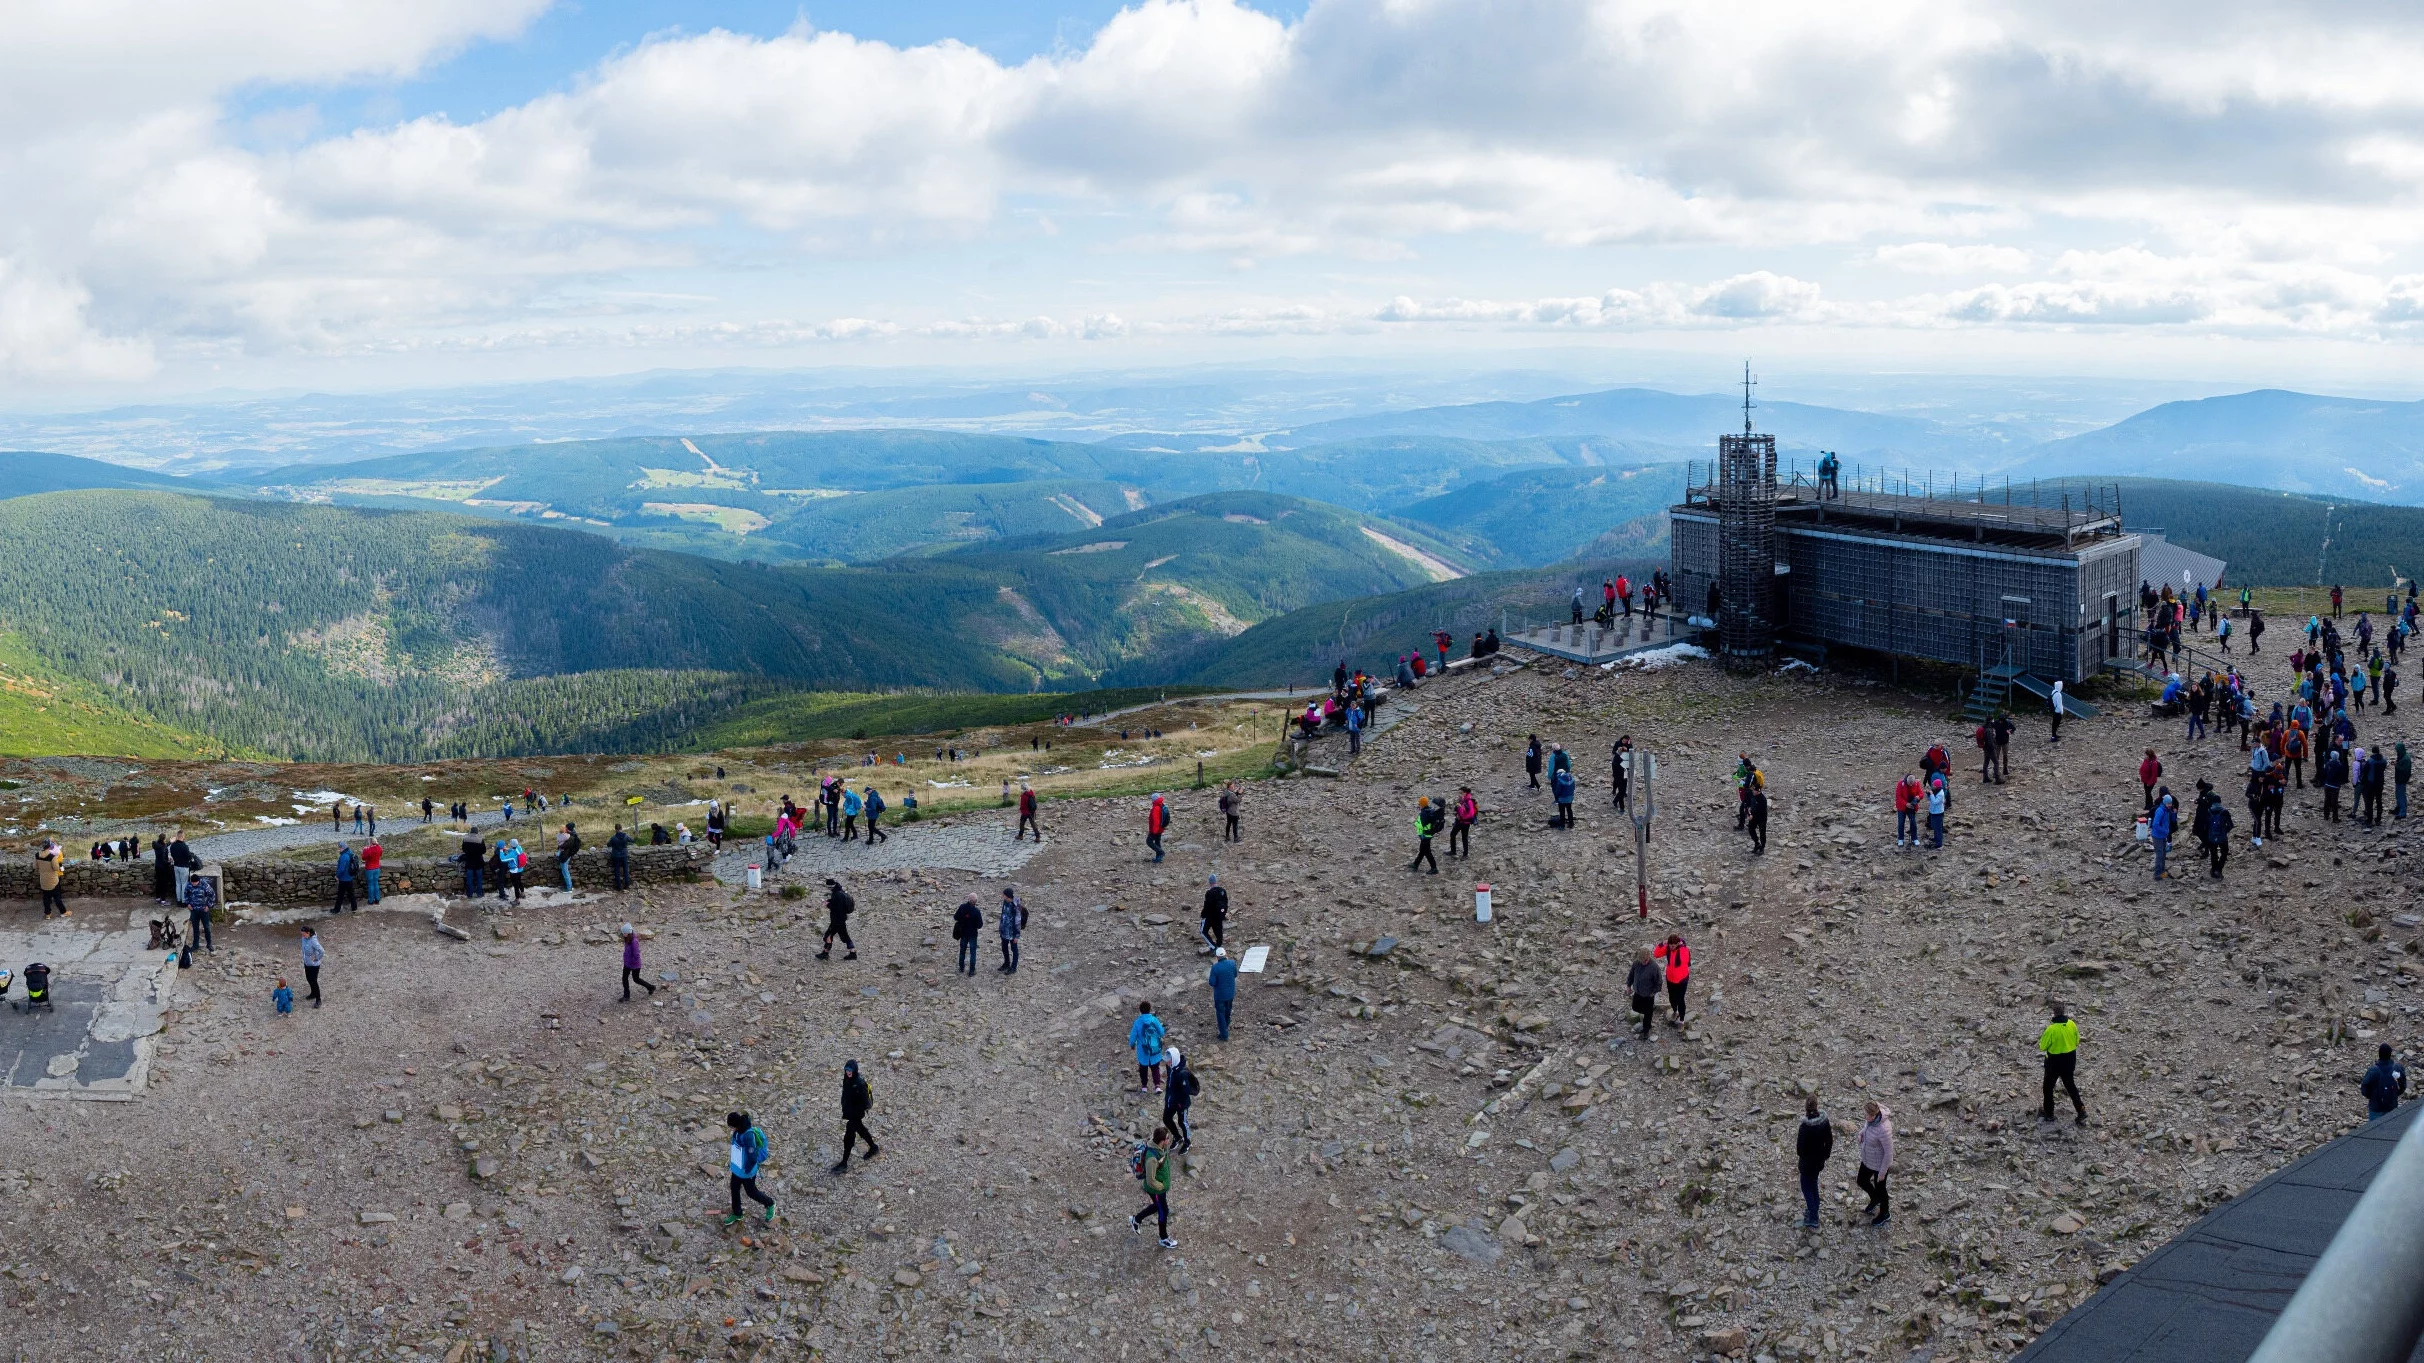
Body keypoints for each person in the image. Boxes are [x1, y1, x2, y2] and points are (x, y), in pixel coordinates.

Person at [724, 1111, 776, 1226]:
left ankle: (770, 1203)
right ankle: (737, 1213)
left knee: (751, 1192)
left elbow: (752, 1158)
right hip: (738, 1168)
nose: (731, 1129)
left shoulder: (748, 1136)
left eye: (731, 1126)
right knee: (734, 1188)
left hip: (747, 1171)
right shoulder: (738, 1131)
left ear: (735, 1125)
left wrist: (747, 1170)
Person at [2039, 1005, 2087, 1124]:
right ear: (2064, 1012)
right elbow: (2077, 1041)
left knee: (2048, 1088)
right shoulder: (2072, 1024)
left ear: (2054, 1013)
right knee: (2071, 1086)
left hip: (2053, 1063)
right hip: (2069, 1060)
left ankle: (2049, 1113)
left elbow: (2042, 1046)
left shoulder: (2051, 1029)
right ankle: (2081, 1110)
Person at [1130, 1128, 1178, 1249]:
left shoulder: (1161, 1148)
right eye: (1167, 1138)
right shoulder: (1152, 1158)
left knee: (1158, 1207)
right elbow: (1150, 1180)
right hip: (1156, 1190)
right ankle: (1164, 1238)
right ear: (1162, 1141)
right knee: (1163, 1211)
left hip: (1160, 1187)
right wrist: (1161, 1186)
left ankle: (1136, 1219)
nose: (1169, 1139)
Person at [833, 1060, 880, 1172]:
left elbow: (864, 1103)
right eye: (846, 1069)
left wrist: (854, 1113)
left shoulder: (859, 1083)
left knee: (848, 1137)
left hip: (856, 1114)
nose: (848, 1072)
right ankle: (873, 1147)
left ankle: (844, 1163)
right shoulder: (847, 1078)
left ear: (855, 1070)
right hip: (851, 1112)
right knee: (861, 1130)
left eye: (850, 1070)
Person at [1796, 1097, 1834, 1229]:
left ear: (1806, 1108)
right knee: (1813, 1184)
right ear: (1817, 1106)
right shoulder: (1824, 1122)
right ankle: (1814, 1209)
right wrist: (1825, 1155)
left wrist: (1805, 1156)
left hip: (1806, 1164)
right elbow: (1829, 1140)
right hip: (1819, 1162)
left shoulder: (1804, 1127)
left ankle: (1813, 1216)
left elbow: (1799, 1150)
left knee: (1806, 1188)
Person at [1857, 1101, 1893, 1228]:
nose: (1864, 1117)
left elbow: (1889, 1153)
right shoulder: (1870, 1120)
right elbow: (1867, 1128)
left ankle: (1885, 1213)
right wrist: (1861, 1133)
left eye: (1866, 1115)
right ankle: (1874, 1198)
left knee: (1881, 1189)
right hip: (1868, 1159)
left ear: (1873, 1115)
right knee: (1861, 1181)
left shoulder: (1884, 1129)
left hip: (1880, 1165)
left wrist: (1882, 1172)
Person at [1161, 1048, 1198, 1152]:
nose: (1166, 1062)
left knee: (1182, 1122)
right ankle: (1177, 1137)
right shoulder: (1170, 1067)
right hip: (1170, 1101)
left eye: (1169, 1060)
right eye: (1166, 1060)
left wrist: (1180, 1103)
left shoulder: (1182, 1073)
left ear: (1174, 1059)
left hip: (1181, 1104)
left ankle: (1187, 1142)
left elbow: (1186, 1091)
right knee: (1166, 1119)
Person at [2362, 1044, 2409, 1122]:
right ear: (2390, 1054)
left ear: (2379, 1054)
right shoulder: (2397, 1068)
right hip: (2392, 1107)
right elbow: (2403, 1086)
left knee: (2374, 1132)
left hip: (2376, 1108)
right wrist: (2394, 1094)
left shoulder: (2373, 1070)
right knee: (2390, 1131)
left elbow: (2364, 1089)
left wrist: (2372, 1097)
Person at [1130, 1001, 1167, 1093]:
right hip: (1154, 1049)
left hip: (1143, 1051)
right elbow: (1162, 1033)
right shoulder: (1154, 1020)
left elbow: (1133, 1036)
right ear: (1150, 1009)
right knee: (1155, 1068)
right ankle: (1157, 1086)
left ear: (1140, 1011)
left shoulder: (1137, 1022)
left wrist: (1132, 1045)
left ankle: (1144, 1087)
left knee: (1143, 1068)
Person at [1654, 934, 1691, 1026]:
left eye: (1673, 945)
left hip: (1682, 979)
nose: (1671, 947)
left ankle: (1682, 1019)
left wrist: (1681, 945)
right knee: (1671, 997)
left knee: (1680, 999)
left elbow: (1684, 961)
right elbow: (1656, 954)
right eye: (1670, 945)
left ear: (1678, 943)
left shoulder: (1683, 950)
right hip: (1670, 978)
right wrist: (1662, 944)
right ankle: (1675, 1011)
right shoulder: (1668, 948)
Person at [817, 879, 857, 960]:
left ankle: (825, 953)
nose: (828, 888)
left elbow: (837, 908)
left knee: (828, 935)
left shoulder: (836, 894)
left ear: (830, 886)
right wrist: (829, 901)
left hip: (837, 920)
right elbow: (838, 903)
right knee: (844, 936)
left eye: (828, 887)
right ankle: (853, 953)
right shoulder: (839, 890)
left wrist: (828, 905)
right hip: (841, 919)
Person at [1626, 948, 1661, 1040]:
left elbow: (1658, 982)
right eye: (1641, 961)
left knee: (1648, 1014)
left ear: (1649, 956)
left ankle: (1646, 1030)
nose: (1643, 963)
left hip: (1648, 995)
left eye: (1645, 961)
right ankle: (1648, 1012)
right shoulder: (1636, 963)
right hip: (1638, 992)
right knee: (1635, 1007)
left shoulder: (1654, 967)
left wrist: (1653, 992)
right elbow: (1631, 975)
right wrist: (1628, 986)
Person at [184, 866, 217, 953]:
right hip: (194, 910)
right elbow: (186, 894)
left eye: (195, 883)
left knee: (206, 927)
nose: (194, 884)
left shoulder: (205, 885)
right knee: (195, 928)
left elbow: (212, 895)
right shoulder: (189, 885)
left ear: (198, 881)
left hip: (203, 910)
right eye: (192, 882)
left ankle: (209, 944)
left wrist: (208, 906)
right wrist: (188, 904)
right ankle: (195, 945)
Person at [1209, 947, 1238, 1042]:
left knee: (1220, 1013)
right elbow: (1235, 974)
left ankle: (1224, 1035)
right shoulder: (1232, 963)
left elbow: (1212, 982)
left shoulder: (1215, 968)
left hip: (1220, 995)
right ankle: (1227, 1023)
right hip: (1230, 993)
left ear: (1217, 957)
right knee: (1228, 1009)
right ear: (1226, 954)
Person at [2149, 789, 2176, 880]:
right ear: (2164, 803)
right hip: (2157, 836)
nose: (2169, 805)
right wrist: (2165, 831)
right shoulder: (2160, 811)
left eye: (2170, 803)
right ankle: (2157, 874)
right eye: (2168, 803)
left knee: (2163, 854)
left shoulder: (2167, 810)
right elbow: (2155, 824)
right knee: (2160, 855)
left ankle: (2162, 872)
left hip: (2162, 836)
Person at [35, 839, 66, 918]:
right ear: (50, 846)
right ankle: (63, 912)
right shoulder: (52, 857)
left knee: (46, 898)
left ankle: (47, 914)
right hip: (53, 880)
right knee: (57, 897)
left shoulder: (37, 855)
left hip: (43, 880)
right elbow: (56, 868)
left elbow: (35, 866)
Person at [998, 885, 1025, 973]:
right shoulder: (1005, 902)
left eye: (1004, 895)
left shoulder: (1016, 906)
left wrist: (1017, 936)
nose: (1002, 896)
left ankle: (1013, 967)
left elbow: (1018, 921)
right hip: (1004, 932)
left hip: (1012, 933)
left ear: (1007, 896)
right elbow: (1003, 915)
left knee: (1014, 950)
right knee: (1004, 948)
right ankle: (1006, 963)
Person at [1410, 797, 1442, 873]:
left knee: (1427, 852)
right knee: (1422, 850)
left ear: (1422, 804)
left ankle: (1434, 868)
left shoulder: (1424, 813)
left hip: (1425, 835)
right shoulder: (1429, 810)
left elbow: (1422, 825)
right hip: (1428, 834)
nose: (1419, 804)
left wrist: (1416, 823)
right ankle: (1415, 864)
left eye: (1420, 803)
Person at [952, 897, 982, 976]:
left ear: (969, 899)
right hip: (972, 934)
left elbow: (955, 917)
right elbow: (980, 925)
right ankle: (971, 971)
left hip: (963, 933)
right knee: (973, 952)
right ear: (975, 901)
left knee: (962, 951)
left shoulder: (962, 907)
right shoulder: (976, 911)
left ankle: (961, 968)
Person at [1199, 875, 1228, 952]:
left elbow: (1207, 906)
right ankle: (1219, 946)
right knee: (1218, 933)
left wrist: (1203, 915)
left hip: (1209, 917)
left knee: (1203, 931)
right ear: (1216, 881)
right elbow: (1226, 904)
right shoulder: (1222, 891)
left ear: (1210, 882)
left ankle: (1213, 947)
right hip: (1219, 917)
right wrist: (1223, 914)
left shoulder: (1209, 892)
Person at [298, 925, 324, 1008]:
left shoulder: (313, 941)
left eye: (303, 934)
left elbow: (322, 951)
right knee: (308, 979)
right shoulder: (304, 938)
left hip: (314, 965)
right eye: (301, 934)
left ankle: (318, 999)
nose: (302, 936)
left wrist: (316, 958)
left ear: (308, 933)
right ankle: (313, 993)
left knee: (314, 981)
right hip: (307, 963)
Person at [1893, 771, 1921, 848]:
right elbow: (1898, 796)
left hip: (1911, 806)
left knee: (1913, 822)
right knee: (1901, 822)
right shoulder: (1900, 783)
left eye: (1912, 784)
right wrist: (1906, 804)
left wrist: (1918, 797)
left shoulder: (1916, 783)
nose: (1911, 785)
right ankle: (1900, 839)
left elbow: (1921, 793)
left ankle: (1914, 838)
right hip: (1902, 807)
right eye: (1910, 784)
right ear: (1906, 781)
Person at [1450, 786, 1478, 858]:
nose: (1460, 794)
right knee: (1452, 834)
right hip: (1459, 821)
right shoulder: (1462, 800)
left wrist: (1461, 813)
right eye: (1459, 793)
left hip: (1465, 823)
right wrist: (1457, 814)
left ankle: (1465, 854)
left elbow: (1471, 814)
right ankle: (1453, 851)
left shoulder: (1469, 801)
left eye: (1461, 793)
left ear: (1465, 793)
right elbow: (1459, 810)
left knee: (1464, 838)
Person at [332, 842, 359, 914]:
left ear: (343, 848)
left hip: (344, 879)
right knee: (351, 894)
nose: (339, 849)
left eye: (340, 848)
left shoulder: (344, 856)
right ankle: (354, 907)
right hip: (350, 877)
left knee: (340, 895)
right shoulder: (350, 853)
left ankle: (336, 910)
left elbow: (341, 869)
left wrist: (337, 876)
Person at [460, 828, 486, 899]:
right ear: (477, 832)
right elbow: (484, 851)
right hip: (478, 862)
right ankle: (479, 894)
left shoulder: (465, 839)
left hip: (469, 862)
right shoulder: (480, 840)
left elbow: (463, 849)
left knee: (469, 879)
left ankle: (470, 894)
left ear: (470, 831)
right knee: (479, 879)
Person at [555, 822, 582, 891]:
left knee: (565, 872)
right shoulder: (571, 835)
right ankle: (568, 886)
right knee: (565, 871)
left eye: (566, 827)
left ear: (567, 829)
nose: (565, 828)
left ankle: (569, 888)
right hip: (567, 855)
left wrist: (559, 846)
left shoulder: (571, 837)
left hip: (566, 856)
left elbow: (563, 846)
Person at [1550, 763, 1577, 828]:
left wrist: (1557, 797)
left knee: (1562, 812)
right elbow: (1573, 788)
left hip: (1562, 799)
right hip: (1570, 798)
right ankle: (1571, 824)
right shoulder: (1571, 779)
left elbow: (1558, 791)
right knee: (1569, 810)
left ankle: (1562, 826)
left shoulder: (1559, 780)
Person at [1925, 776, 1948, 850]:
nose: (1932, 786)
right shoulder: (1936, 791)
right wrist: (1928, 793)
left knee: (1938, 828)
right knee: (1934, 826)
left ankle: (1939, 843)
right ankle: (1936, 838)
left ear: (1937, 786)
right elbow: (1930, 799)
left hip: (1938, 813)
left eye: (1934, 785)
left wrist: (1931, 794)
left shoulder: (1940, 794)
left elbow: (1935, 802)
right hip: (1933, 811)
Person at [607, 824, 632, 891]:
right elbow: (632, 840)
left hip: (616, 855)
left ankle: (619, 886)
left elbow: (608, 845)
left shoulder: (613, 838)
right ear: (621, 828)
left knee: (617, 870)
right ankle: (627, 885)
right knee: (626, 870)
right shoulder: (626, 836)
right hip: (624, 854)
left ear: (615, 829)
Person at [1747, 782, 1769, 854]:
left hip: (1761, 818)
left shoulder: (1762, 799)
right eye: (1753, 790)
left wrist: (1752, 815)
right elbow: (1750, 804)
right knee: (1751, 829)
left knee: (1762, 832)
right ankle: (1757, 843)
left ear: (1758, 791)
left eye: (1754, 790)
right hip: (1753, 816)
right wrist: (1748, 812)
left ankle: (1762, 847)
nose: (1753, 791)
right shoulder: (1753, 796)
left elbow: (1760, 811)